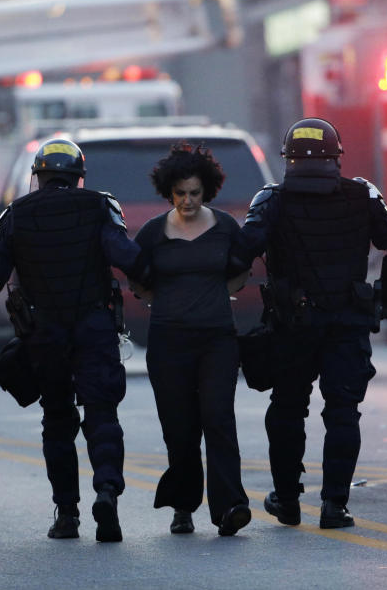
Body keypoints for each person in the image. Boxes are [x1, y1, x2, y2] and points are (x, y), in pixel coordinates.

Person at [0, 136, 144, 543]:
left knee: (58, 420)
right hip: (94, 327)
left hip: (45, 334)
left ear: (38, 178)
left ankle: (68, 515)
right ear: (78, 178)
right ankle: (107, 492)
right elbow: (128, 258)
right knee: (102, 414)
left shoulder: (15, 215)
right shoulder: (101, 206)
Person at [237, 117, 387, 529]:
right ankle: (335, 506)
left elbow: (241, 251)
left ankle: (286, 500)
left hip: (292, 324)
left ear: (288, 158)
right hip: (347, 323)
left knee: (286, 409)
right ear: (337, 155)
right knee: (343, 412)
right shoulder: (363, 195)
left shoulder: (271, 199)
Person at [130, 141, 252, 537]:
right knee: (180, 428)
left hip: (217, 339)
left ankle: (231, 506)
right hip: (168, 343)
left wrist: (217, 297)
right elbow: (137, 279)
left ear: (207, 191)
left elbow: (240, 271)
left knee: (217, 419)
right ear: (169, 192)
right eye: (180, 193)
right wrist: (162, 303)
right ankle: (183, 506)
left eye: (194, 193)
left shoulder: (225, 227)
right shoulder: (152, 232)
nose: (187, 200)